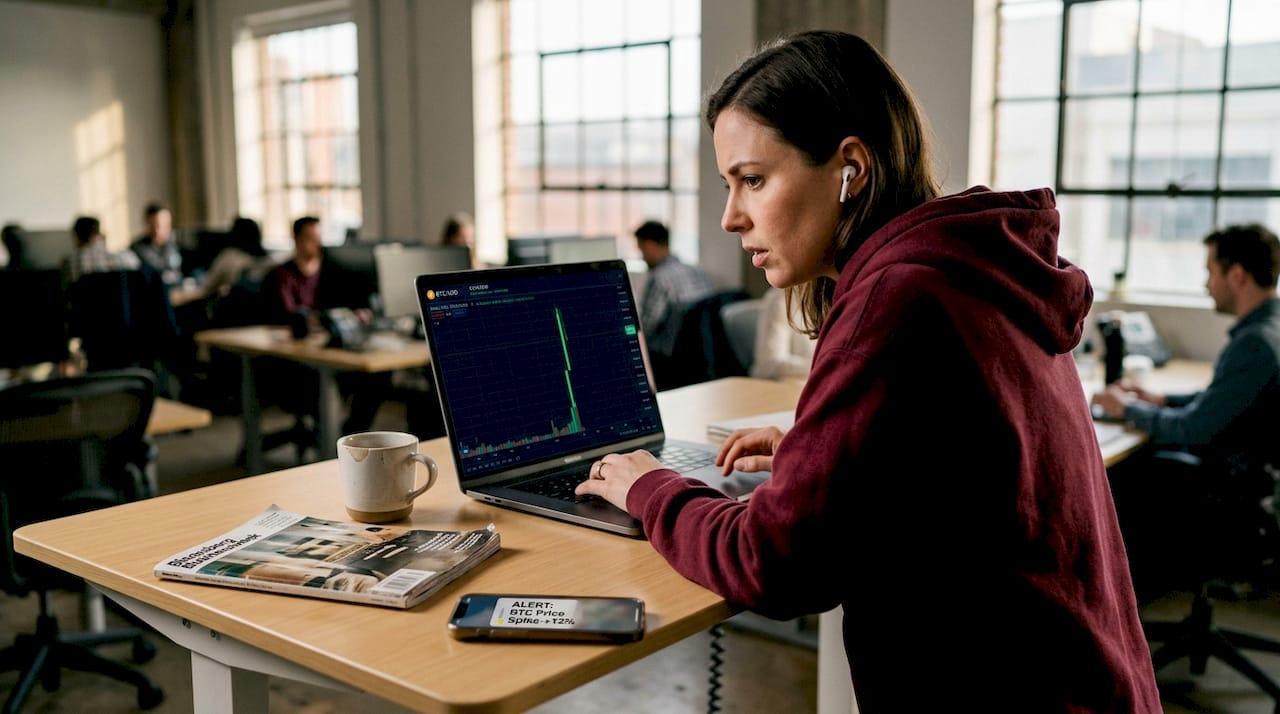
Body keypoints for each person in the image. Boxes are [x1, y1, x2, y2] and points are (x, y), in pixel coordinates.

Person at [575, 30, 1160, 712]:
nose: (732, 217)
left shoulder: (895, 301)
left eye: (754, 180)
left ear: (850, 167)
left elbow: (773, 565)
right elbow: (970, 466)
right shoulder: (975, 271)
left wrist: (653, 488)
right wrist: (817, 453)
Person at [1091, 224, 1280, 590]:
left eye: (1211, 272)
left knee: (1118, 471)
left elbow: (1194, 428)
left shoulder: (1254, 343)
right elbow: (1220, 398)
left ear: (1237, 275)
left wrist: (1127, 409)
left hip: (1227, 483)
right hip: (1248, 473)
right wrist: (1158, 399)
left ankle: (1118, 597)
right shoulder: (1270, 327)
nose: (1205, 284)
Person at [261, 216, 389, 437]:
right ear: (297, 240)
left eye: (319, 239)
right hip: (295, 357)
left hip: (331, 346)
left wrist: (352, 313)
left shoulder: (332, 269)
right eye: (311, 239)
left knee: (379, 374)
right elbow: (288, 316)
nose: (317, 244)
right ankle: (329, 439)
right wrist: (324, 318)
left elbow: (344, 302)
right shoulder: (281, 275)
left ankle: (351, 432)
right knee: (320, 382)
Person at [633, 219, 714, 381]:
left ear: (649, 245)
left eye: (641, 250)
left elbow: (646, 328)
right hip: (703, 359)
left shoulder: (659, 278)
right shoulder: (696, 271)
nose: (641, 256)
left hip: (666, 361)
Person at [197, 216, 276, 300]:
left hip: (236, 309)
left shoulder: (229, 257)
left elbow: (208, 285)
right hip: (264, 311)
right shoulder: (269, 261)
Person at [749, 286, 816, 381]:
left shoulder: (837, 297)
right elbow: (767, 364)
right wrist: (819, 366)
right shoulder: (781, 298)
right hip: (783, 387)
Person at [70, 215, 141, 280]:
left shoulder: (72, 260)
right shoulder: (116, 258)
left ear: (77, 236)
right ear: (97, 234)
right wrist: (101, 242)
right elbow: (134, 263)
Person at [130, 202, 183, 285]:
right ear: (147, 224)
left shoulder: (178, 245)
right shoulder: (137, 249)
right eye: (154, 225)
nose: (157, 230)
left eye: (165, 225)